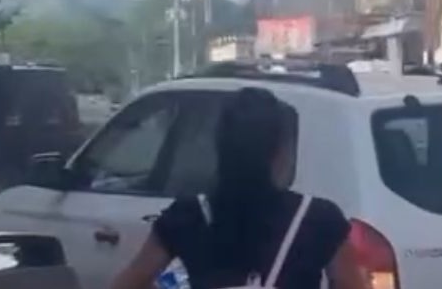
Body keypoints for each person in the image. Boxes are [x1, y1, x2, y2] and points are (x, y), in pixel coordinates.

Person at [110, 87, 366, 289]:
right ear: (280, 153)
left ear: (220, 149)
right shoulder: (319, 220)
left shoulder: (188, 216)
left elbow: (129, 283)